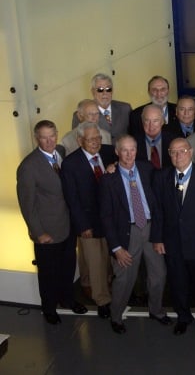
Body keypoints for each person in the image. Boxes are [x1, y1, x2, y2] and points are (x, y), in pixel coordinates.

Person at [16, 120, 88, 324]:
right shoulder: (29, 166)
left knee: (67, 267)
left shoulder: (62, 153)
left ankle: (67, 299)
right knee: (48, 273)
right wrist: (38, 232)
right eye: (43, 137)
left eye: (52, 135)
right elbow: (27, 205)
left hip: (67, 226)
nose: (49, 141)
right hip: (47, 230)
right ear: (36, 138)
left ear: (57, 134)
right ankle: (49, 308)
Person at [99, 135, 171, 334]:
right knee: (124, 278)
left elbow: (160, 197)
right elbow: (105, 216)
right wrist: (116, 247)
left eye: (133, 149)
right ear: (117, 152)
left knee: (159, 273)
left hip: (150, 228)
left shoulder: (147, 168)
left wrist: (159, 235)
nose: (129, 154)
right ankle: (116, 316)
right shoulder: (108, 179)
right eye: (124, 150)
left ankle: (155, 310)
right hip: (126, 233)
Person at [152, 138, 195, 336]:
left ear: (190, 152)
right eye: (173, 152)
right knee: (177, 283)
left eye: (182, 150)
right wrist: (157, 238)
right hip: (172, 243)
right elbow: (158, 211)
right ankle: (183, 316)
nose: (178, 155)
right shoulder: (161, 177)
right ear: (168, 154)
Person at [61, 122, 116, 320]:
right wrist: (83, 226)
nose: (95, 143)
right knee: (95, 263)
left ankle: (109, 287)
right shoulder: (70, 164)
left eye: (98, 138)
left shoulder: (110, 153)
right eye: (91, 139)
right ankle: (102, 301)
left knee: (109, 260)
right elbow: (72, 199)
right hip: (88, 223)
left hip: (110, 219)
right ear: (79, 141)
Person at [71, 73, 131, 144]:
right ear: (93, 92)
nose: (104, 93)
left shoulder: (125, 108)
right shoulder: (81, 114)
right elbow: (77, 142)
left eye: (108, 89)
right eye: (100, 90)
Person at [134, 104, 176, 170]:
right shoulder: (133, 143)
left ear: (162, 122)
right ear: (142, 122)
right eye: (147, 120)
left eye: (155, 121)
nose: (151, 125)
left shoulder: (173, 141)